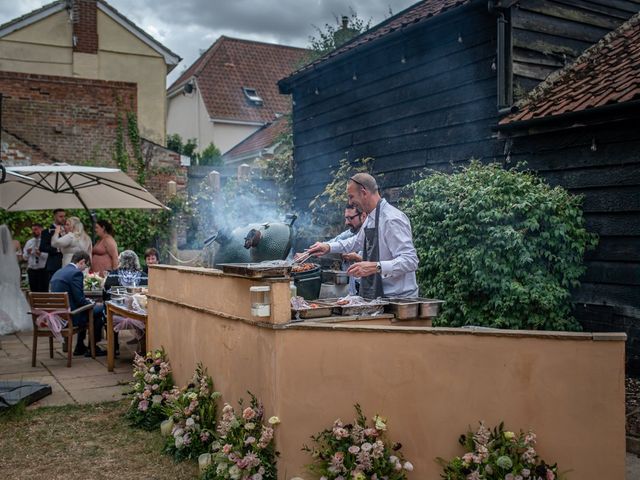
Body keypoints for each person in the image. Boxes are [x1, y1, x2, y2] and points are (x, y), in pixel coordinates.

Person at [306, 173, 419, 298]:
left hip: (399, 299)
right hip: (379, 297)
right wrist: (328, 247)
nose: (350, 202)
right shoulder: (371, 217)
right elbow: (356, 241)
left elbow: (410, 261)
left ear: (364, 192)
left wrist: (375, 266)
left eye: (351, 197)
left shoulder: (391, 219)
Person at [49, 251, 105, 356]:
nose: (85, 269)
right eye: (86, 266)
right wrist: (93, 304)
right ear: (82, 262)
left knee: (90, 311)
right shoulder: (76, 273)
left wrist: (89, 303)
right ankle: (93, 347)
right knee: (101, 310)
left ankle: (80, 346)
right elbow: (80, 300)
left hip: (57, 315)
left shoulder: (59, 272)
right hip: (69, 317)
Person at [103, 250, 149, 353]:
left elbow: (105, 296)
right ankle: (145, 349)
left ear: (120, 260)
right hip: (140, 316)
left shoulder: (113, 275)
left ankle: (114, 348)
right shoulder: (144, 276)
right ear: (136, 261)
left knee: (104, 311)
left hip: (116, 315)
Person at [326, 205, 367, 295]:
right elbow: (329, 245)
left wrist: (358, 258)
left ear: (363, 216)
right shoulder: (347, 234)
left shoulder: (374, 233)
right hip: (353, 290)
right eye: (346, 218)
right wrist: (309, 252)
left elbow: (382, 263)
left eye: (350, 218)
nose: (347, 222)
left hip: (371, 289)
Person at [0, 225, 31, 335]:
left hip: (2, 271)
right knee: (15, 290)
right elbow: (21, 258)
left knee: (3, 290)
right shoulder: (16, 243)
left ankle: (5, 319)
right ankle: (18, 319)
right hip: (13, 270)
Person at [39, 208, 66, 285]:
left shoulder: (68, 230)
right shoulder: (47, 232)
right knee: (54, 287)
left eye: (64, 216)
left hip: (67, 262)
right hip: (54, 263)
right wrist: (58, 249)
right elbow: (42, 247)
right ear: (54, 217)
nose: (63, 218)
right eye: (60, 216)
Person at [23, 223, 49, 292]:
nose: (34, 231)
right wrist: (28, 253)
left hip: (43, 270)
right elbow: (25, 257)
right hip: (32, 270)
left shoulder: (46, 242)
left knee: (43, 291)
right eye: (33, 230)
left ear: (41, 230)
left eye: (36, 229)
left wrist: (40, 254)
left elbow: (49, 257)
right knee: (33, 291)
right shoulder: (29, 242)